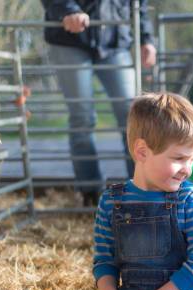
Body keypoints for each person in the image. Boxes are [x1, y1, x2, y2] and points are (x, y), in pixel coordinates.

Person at [35, 93, 193, 290]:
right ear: (142, 151)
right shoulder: (112, 200)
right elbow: (105, 259)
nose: (187, 170)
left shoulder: (190, 199)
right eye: (180, 158)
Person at [41, 0, 157, 206]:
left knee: (133, 116)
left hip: (114, 41)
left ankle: (142, 190)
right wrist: (68, 10)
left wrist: (146, 38)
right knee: (82, 116)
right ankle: (90, 193)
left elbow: (140, 4)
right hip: (69, 39)